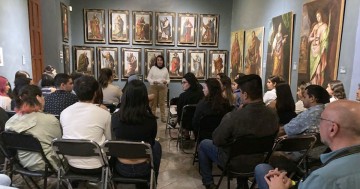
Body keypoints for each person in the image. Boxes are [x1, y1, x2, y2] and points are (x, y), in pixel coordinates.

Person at [255, 100, 360, 189]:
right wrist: (293, 183)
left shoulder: (323, 178)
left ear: (332, 129)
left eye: (321, 120)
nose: (318, 124)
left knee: (262, 169)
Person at [198, 74, 278, 189]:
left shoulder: (233, 117)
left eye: (240, 92)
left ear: (245, 95)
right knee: (246, 147)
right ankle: (242, 184)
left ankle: (208, 183)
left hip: (233, 162)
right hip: (260, 161)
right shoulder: (273, 115)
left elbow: (217, 139)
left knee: (204, 144)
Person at [112, 80, 162, 182]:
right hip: (143, 168)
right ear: (145, 98)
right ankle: (153, 181)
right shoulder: (151, 120)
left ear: (125, 97)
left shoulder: (115, 117)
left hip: (121, 167)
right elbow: (151, 143)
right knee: (157, 145)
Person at [61, 75, 111, 173]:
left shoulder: (64, 112)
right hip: (97, 164)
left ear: (75, 92)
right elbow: (108, 140)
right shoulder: (104, 114)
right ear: (96, 93)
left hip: (71, 163)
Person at [5, 85, 61, 171]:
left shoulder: (10, 122)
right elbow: (58, 143)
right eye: (42, 96)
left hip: (21, 163)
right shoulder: (50, 120)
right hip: (46, 164)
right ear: (38, 98)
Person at [177, 73, 204, 138]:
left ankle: (185, 132)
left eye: (184, 82)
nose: (182, 85)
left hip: (186, 123)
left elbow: (179, 113)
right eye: (182, 83)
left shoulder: (183, 96)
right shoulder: (202, 93)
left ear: (190, 82)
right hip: (200, 121)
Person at [147, 55, 170, 123]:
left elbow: (168, 79)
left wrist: (166, 81)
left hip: (163, 88)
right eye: (158, 60)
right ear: (156, 61)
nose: (159, 61)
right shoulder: (153, 68)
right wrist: (153, 81)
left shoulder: (165, 69)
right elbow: (148, 78)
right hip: (154, 87)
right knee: (153, 103)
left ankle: (163, 117)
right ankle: (152, 116)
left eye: (161, 60)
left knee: (162, 103)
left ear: (163, 61)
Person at [308, 10, 329, 86]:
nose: (318, 18)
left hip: (319, 51)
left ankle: (318, 87)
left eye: (319, 16)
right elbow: (309, 38)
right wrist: (314, 38)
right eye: (317, 16)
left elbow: (325, 40)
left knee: (318, 72)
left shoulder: (325, 26)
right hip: (313, 50)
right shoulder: (315, 26)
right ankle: (314, 86)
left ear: (322, 16)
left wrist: (323, 49)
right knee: (313, 73)